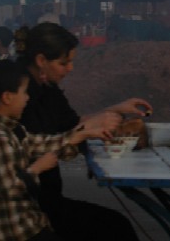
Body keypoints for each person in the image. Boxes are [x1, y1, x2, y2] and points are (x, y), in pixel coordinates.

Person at [16, 23, 152, 240]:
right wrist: (87, 129)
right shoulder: (19, 97)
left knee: (115, 225)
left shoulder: (47, 88)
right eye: (64, 63)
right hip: (30, 206)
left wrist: (115, 109)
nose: (70, 69)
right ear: (41, 60)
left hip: (48, 198)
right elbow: (45, 145)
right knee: (116, 228)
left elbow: (71, 124)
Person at [0, 59, 110, 241]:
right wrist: (37, 168)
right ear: (7, 97)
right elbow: (11, 190)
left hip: (26, 225)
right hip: (9, 233)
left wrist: (81, 134)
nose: (27, 98)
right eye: (24, 92)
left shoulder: (10, 129)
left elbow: (41, 143)